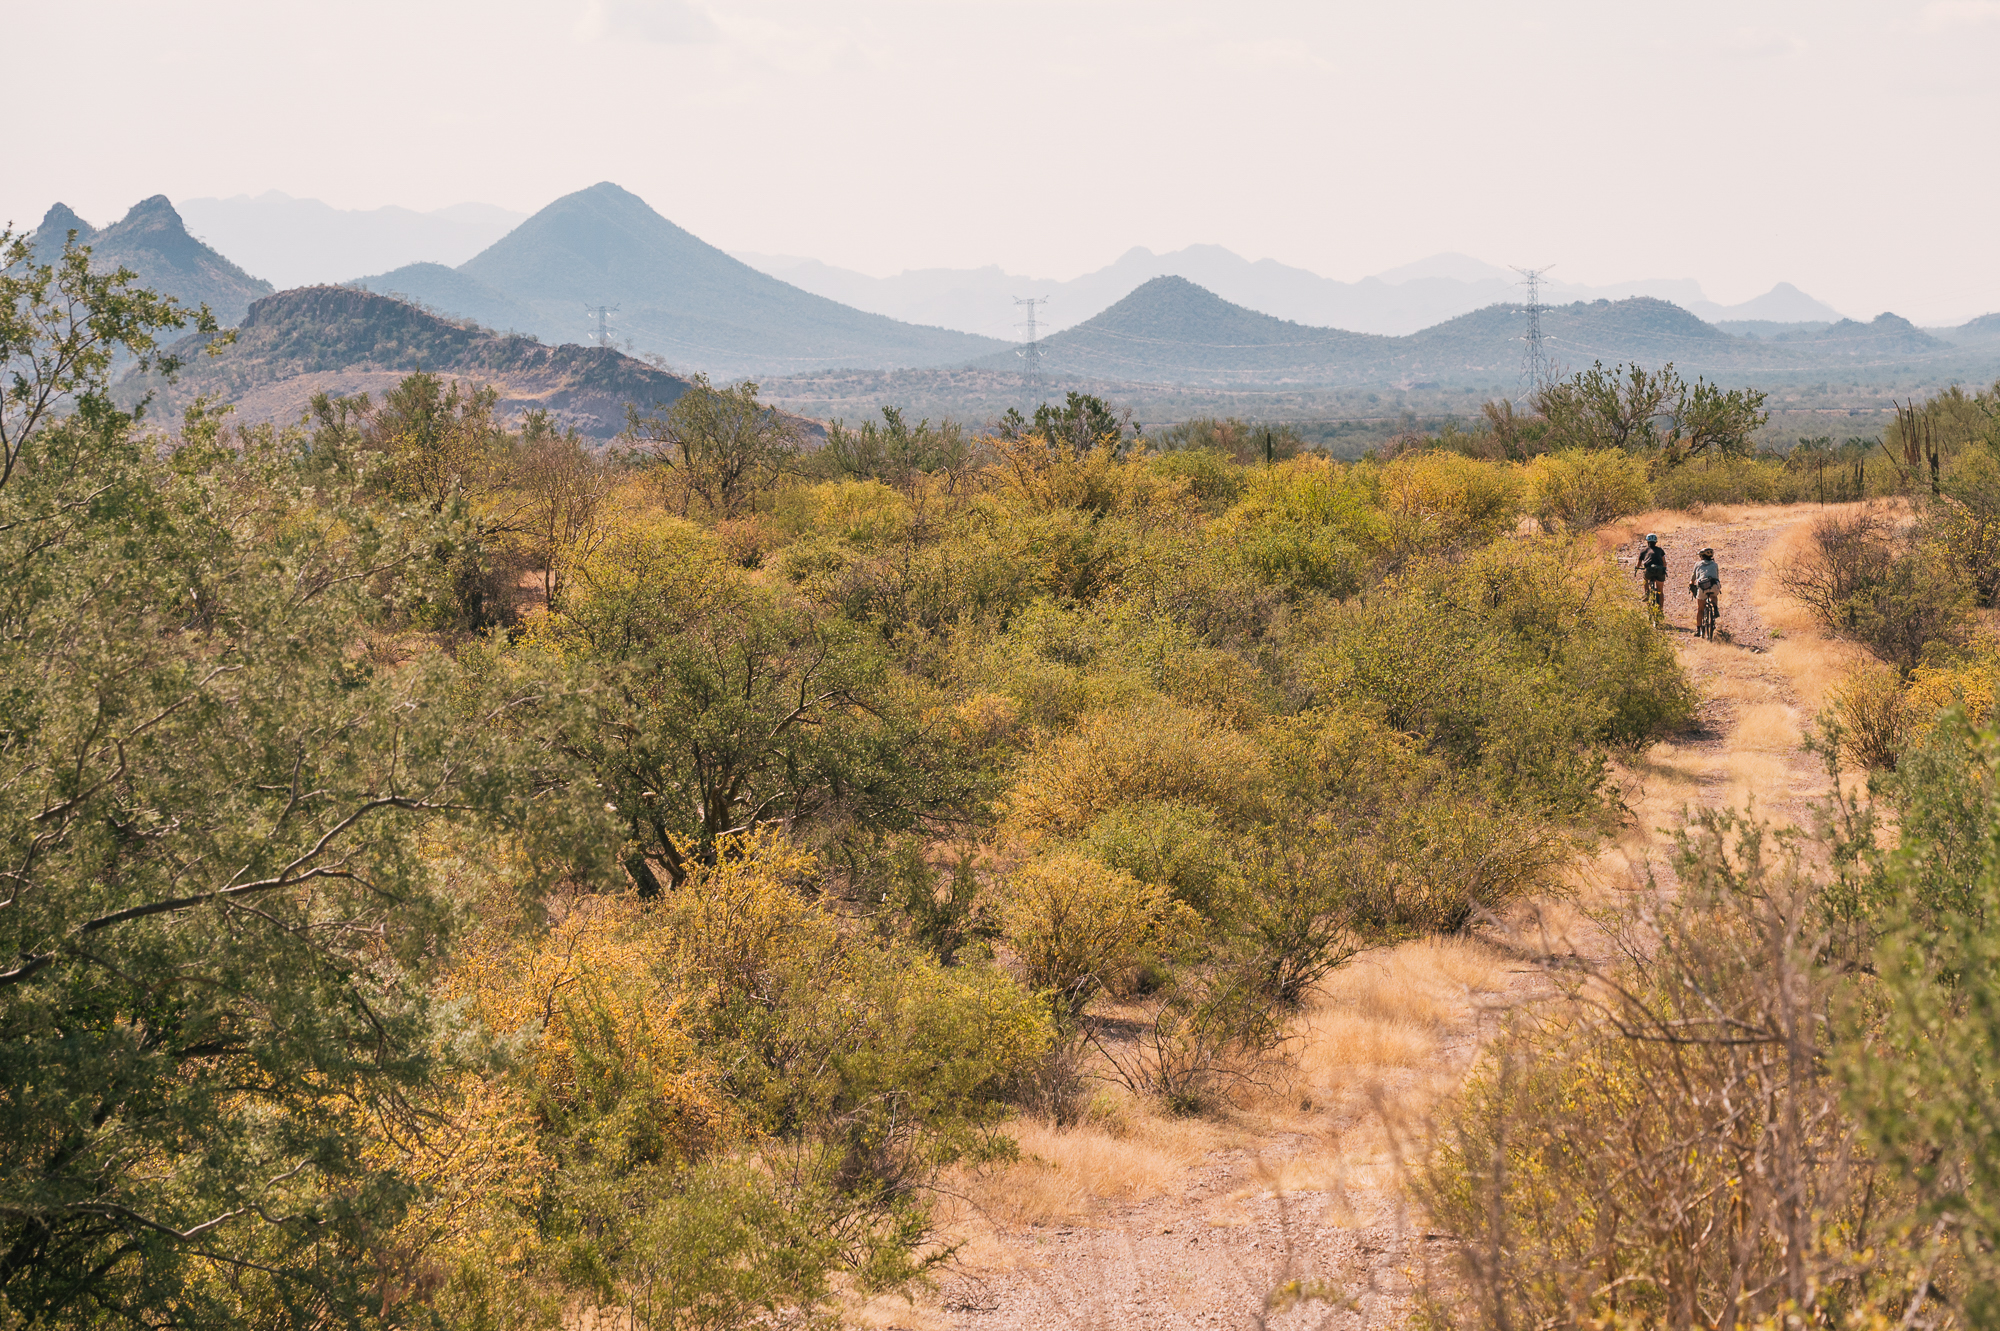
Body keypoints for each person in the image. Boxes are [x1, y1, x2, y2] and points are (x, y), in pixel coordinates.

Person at [1634, 533, 1668, 617]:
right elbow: (1664, 562)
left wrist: (1637, 568)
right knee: (1660, 591)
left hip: (1649, 570)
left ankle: (1646, 593)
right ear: (1656, 542)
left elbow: (1639, 563)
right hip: (1660, 570)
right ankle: (1661, 611)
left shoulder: (1643, 551)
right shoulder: (1660, 550)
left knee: (1645, 579)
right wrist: (1664, 569)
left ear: (1647, 542)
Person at [1689, 547, 1721, 632]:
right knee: (1714, 595)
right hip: (1714, 585)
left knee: (1700, 608)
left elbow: (1693, 578)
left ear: (1702, 556)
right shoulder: (1715, 564)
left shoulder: (1698, 564)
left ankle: (1698, 629)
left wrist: (1691, 584)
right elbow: (1717, 576)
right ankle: (1715, 608)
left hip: (1703, 586)